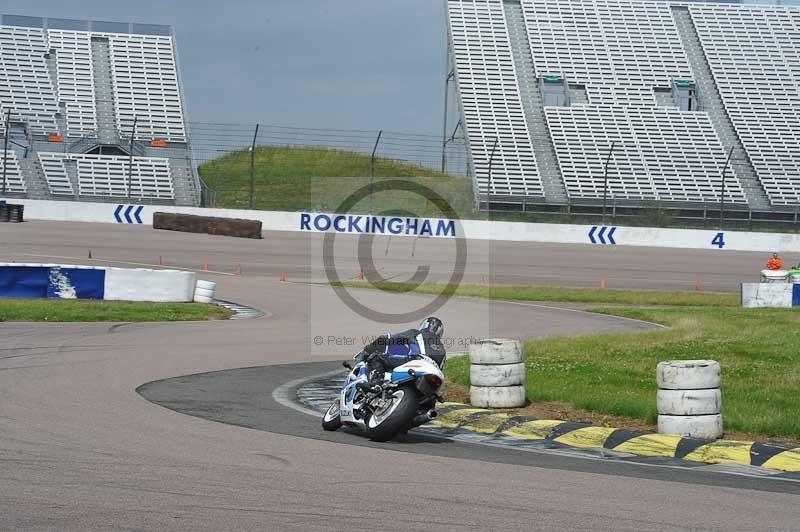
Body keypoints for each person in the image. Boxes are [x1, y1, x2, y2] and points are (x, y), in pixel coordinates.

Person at [354, 317, 446, 391]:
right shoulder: (443, 350)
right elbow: (441, 371)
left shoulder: (416, 333)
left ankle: (374, 384)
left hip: (417, 360)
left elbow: (388, 338)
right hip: (433, 373)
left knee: (377, 357)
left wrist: (367, 351)